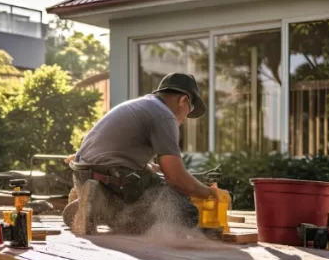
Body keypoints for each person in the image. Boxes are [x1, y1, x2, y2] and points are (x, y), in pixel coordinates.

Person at [62, 72, 221, 236]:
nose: (187, 116)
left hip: (83, 176)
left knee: (150, 184)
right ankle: (104, 206)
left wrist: (155, 169)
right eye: (190, 108)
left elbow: (121, 154)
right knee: (185, 212)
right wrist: (209, 193)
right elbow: (176, 179)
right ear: (184, 100)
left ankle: (92, 205)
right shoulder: (165, 116)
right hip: (112, 178)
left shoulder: (139, 106)